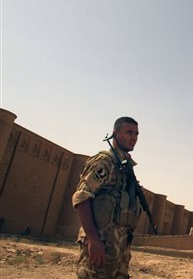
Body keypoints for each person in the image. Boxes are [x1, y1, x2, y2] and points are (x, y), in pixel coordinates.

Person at [72, 117, 142, 278]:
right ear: (115, 134)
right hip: (100, 244)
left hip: (119, 249)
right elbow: (81, 198)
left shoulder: (125, 166)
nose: (134, 138)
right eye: (129, 132)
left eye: (137, 134)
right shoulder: (104, 162)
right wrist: (93, 240)